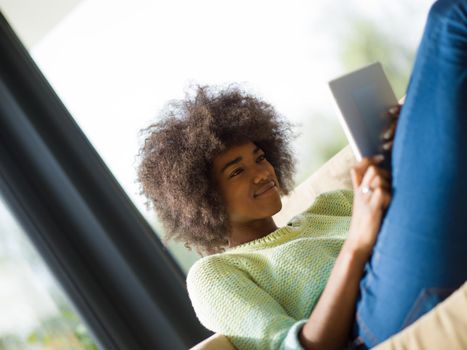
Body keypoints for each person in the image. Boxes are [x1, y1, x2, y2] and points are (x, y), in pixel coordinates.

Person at [136, 0, 466, 348]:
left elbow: (411, 222)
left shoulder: (330, 205)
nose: (262, 173)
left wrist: (403, 151)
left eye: (260, 157)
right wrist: (356, 243)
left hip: (413, 268)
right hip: (367, 327)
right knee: (450, 20)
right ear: (204, 199)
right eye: (237, 172)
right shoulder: (214, 276)